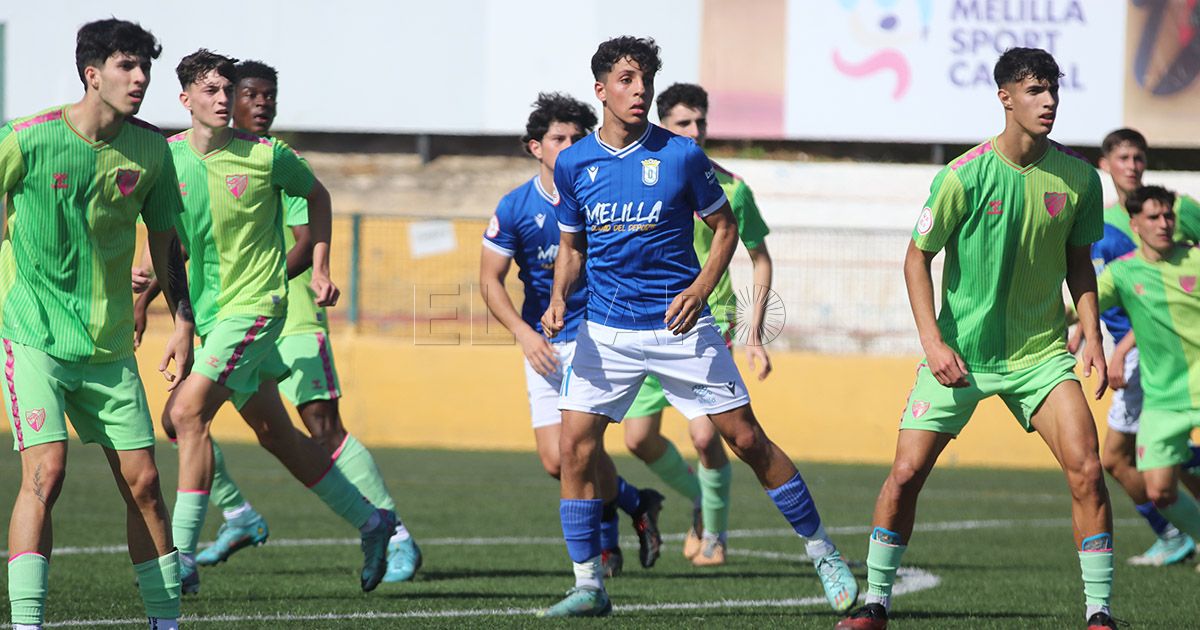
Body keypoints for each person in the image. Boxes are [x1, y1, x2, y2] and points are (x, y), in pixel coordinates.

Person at [538, 36, 856, 618]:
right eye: (628, 80)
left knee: (746, 440)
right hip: (607, 333)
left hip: (681, 328)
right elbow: (571, 246)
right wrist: (560, 297)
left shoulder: (682, 156)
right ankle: (588, 583)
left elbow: (727, 230)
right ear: (601, 89)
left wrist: (700, 290)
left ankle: (823, 551)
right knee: (574, 449)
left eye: (646, 80)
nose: (640, 90)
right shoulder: (574, 161)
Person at [836, 48, 1116, 630]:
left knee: (1087, 470)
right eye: (1035, 90)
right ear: (1005, 97)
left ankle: (1098, 613)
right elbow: (916, 258)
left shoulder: (1081, 178)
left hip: (1041, 357)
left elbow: (1079, 263)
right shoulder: (962, 175)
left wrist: (1091, 334)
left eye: (1053, 91)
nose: (1049, 102)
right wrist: (933, 342)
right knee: (906, 474)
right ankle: (875, 602)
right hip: (960, 355)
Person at [154, 58, 420, 583]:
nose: (224, 97)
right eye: (211, 90)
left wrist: (318, 264)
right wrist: (181, 321)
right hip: (212, 316)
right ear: (186, 100)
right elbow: (165, 244)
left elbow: (318, 197)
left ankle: (179, 556)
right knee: (277, 434)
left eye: (228, 88)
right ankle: (373, 521)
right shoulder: (167, 159)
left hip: (257, 309)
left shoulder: (266, 156)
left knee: (186, 415)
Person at [0, 18, 192, 630]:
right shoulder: (24, 139)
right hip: (33, 337)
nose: (140, 79)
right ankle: (27, 623)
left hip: (108, 346)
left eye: (145, 69)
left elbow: (167, 245)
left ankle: (167, 623)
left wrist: (182, 323)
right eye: (126, 67)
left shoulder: (152, 149)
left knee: (145, 485)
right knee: (46, 471)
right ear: (92, 74)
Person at [479, 92, 665, 577]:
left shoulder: (603, 193)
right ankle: (635, 502)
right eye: (556, 138)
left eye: (576, 138)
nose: (567, 146)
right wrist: (523, 333)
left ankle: (602, 551)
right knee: (555, 460)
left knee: (578, 446)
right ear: (534, 148)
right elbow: (488, 281)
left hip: (595, 333)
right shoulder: (515, 207)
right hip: (542, 340)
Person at [619, 82, 776, 566]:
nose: (695, 130)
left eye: (701, 122)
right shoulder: (636, 178)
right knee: (638, 440)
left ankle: (714, 534)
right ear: (663, 125)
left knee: (707, 436)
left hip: (708, 323)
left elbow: (760, 258)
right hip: (643, 320)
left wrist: (753, 335)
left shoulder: (731, 187)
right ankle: (699, 499)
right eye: (684, 123)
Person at [1089, 128, 1200, 566]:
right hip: (1149, 359)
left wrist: (1120, 348)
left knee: (1115, 455)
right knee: (1129, 463)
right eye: (1124, 157)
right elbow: (1099, 295)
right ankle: (1173, 524)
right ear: (1106, 165)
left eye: (1139, 157)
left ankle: (1171, 534)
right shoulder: (1104, 225)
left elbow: (1171, 293)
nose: (1133, 165)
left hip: (1160, 353)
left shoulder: (1178, 209)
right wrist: (1088, 336)